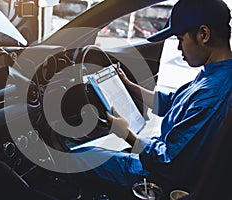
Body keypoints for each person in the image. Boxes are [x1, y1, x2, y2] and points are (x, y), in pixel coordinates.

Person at [71, 0, 232, 197]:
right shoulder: (215, 73)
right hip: (160, 159)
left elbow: (168, 161)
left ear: (204, 35)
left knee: (76, 157)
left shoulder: (212, 95)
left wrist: (127, 135)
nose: (179, 48)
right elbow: (173, 102)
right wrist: (130, 86)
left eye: (181, 39)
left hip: (157, 176)